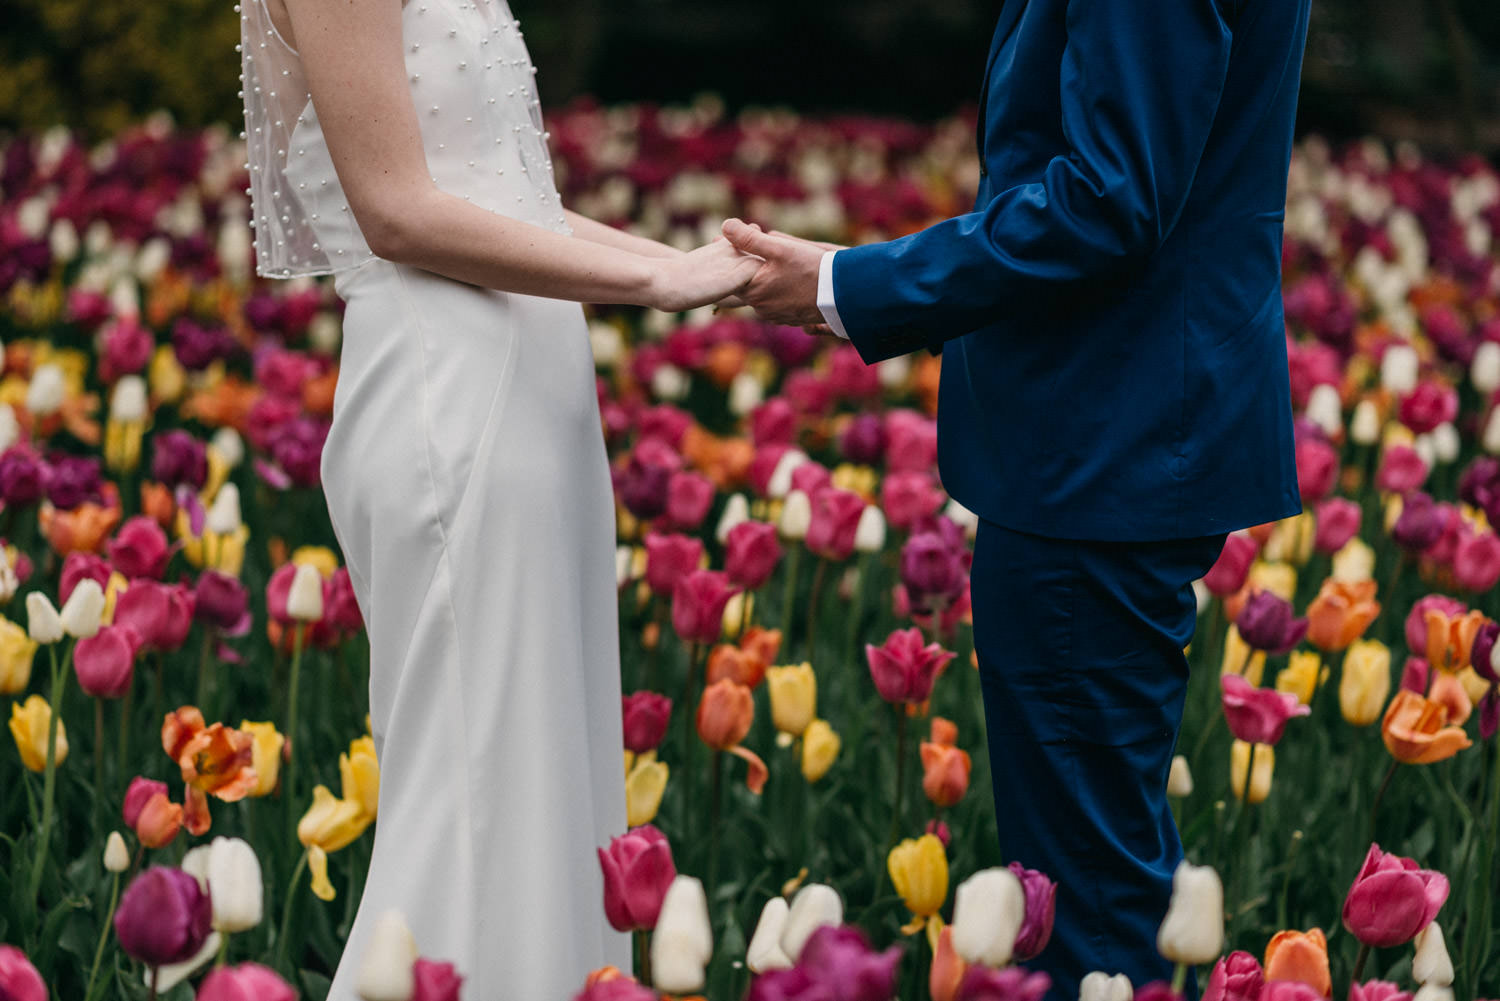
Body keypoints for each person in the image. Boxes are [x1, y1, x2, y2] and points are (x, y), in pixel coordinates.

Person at [725, 0, 1310, 995]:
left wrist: (850, 284)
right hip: (1120, 436)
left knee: (1092, 911)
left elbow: (1106, 198)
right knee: (1097, 869)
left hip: (1101, 449)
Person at [235, 0, 758, 995]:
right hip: (451, 392)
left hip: (532, 399)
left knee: (540, 793)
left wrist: (695, 268)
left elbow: (511, 201)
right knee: (471, 800)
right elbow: (397, 209)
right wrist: (654, 289)